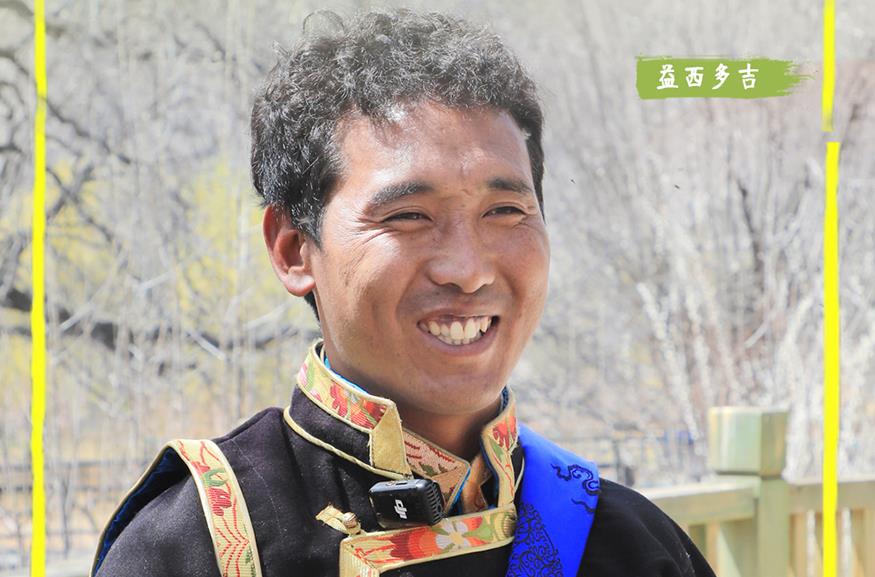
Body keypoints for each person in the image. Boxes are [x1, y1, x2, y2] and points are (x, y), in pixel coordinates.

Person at [91, 9, 715, 577]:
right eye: (409, 216)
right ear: (292, 248)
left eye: (504, 211)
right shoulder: (201, 544)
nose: (468, 270)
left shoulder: (629, 544)